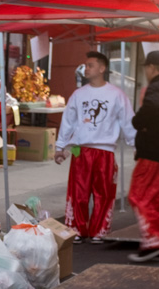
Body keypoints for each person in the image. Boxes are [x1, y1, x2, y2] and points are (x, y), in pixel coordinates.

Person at [54, 50, 133, 242]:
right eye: (86, 65)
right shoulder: (78, 94)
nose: (86, 68)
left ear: (102, 68)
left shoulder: (116, 95)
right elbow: (68, 121)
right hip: (80, 150)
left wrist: (136, 143)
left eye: (90, 65)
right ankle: (77, 229)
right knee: (78, 193)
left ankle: (99, 231)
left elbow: (128, 121)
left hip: (105, 150)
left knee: (103, 193)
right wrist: (61, 147)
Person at [126, 50, 159, 262]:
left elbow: (151, 108)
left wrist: (139, 123)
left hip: (152, 153)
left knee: (139, 196)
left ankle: (153, 241)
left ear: (151, 68)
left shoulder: (155, 88)